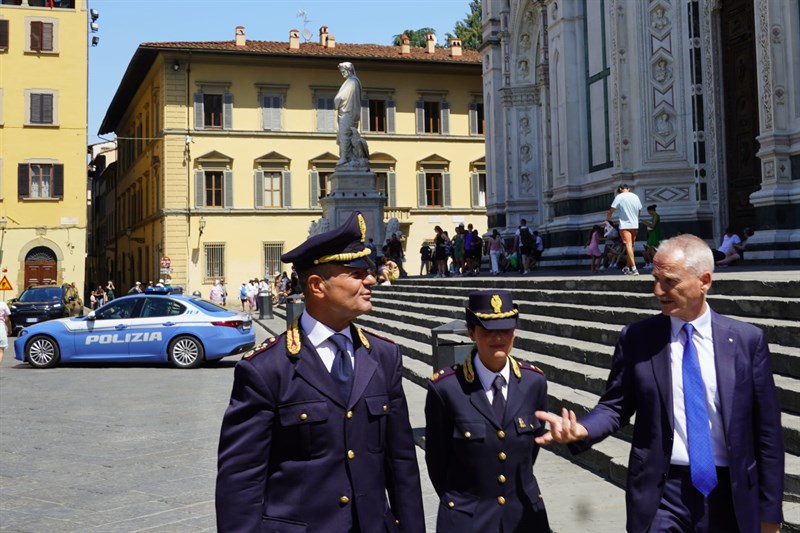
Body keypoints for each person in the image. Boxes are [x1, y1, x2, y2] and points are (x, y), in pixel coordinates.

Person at [534, 234, 784, 533]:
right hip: (664, 493)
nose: (658, 290)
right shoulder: (638, 338)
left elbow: (767, 433)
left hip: (729, 492)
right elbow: (615, 407)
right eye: (655, 279)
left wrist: (770, 513)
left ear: (704, 281)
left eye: (670, 281)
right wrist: (582, 429)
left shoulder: (745, 341)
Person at [216, 211, 425, 532]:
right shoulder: (266, 369)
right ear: (317, 285)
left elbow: (402, 465)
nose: (371, 279)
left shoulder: (385, 356)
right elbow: (241, 480)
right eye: (356, 273)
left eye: (369, 271)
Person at [425, 290, 550, 532]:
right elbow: (437, 462)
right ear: (471, 333)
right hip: (468, 519)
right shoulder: (447, 388)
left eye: (505, 330)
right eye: (488, 330)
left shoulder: (534, 383)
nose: (498, 338)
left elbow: (529, 453)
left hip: (524, 517)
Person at [606, 183, 642, 276]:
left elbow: (611, 210)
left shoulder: (619, 197)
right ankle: (627, 267)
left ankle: (634, 268)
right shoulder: (635, 196)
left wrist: (608, 218)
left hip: (625, 225)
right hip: (635, 225)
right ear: (628, 189)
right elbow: (639, 211)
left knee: (628, 245)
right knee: (631, 246)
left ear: (621, 189)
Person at [333, 61, 363, 167]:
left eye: (343, 71)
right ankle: (350, 157)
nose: (342, 74)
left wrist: (336, 100)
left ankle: (345, 158)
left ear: (348, 70)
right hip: (348, 113)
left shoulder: (352, 82)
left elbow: (341, 97)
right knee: (346, 136)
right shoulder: (353, 82)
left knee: (344, 135)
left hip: (348, 113)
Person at [641, 204, 661, 269]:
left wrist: (645, 222)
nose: (649, 213)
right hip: (651, 235)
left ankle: (654, 264)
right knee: (647, 251)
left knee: (652, 251)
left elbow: (652, 226)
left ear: (651, 210)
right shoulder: (653, 216)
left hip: (654, 235)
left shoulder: (656, 216)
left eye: (649, 211)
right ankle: (649, 263)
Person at [0, 299, 10, 363]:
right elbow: (7, 319)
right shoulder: (3, 305)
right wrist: (9, 329)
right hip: (0, 327)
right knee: (1, 349)